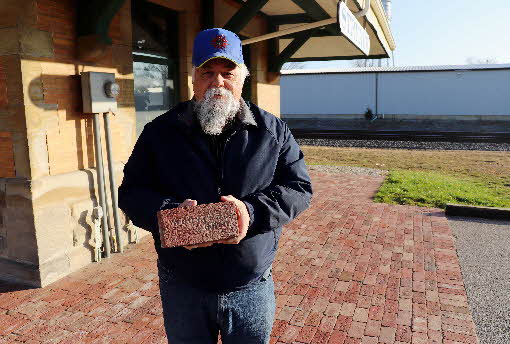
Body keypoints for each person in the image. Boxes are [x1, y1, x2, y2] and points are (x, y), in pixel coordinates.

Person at [118, 28, 312, 344]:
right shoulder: (160, 132)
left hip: (251, 285)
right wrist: (170, 218)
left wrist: (250, 213)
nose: (217, 82)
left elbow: (299, 188)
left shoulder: (272, 132)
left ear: (243, 78)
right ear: (193, 79)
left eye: (227, 72)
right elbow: (131, 192)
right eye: (208, 72)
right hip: (183, 285)